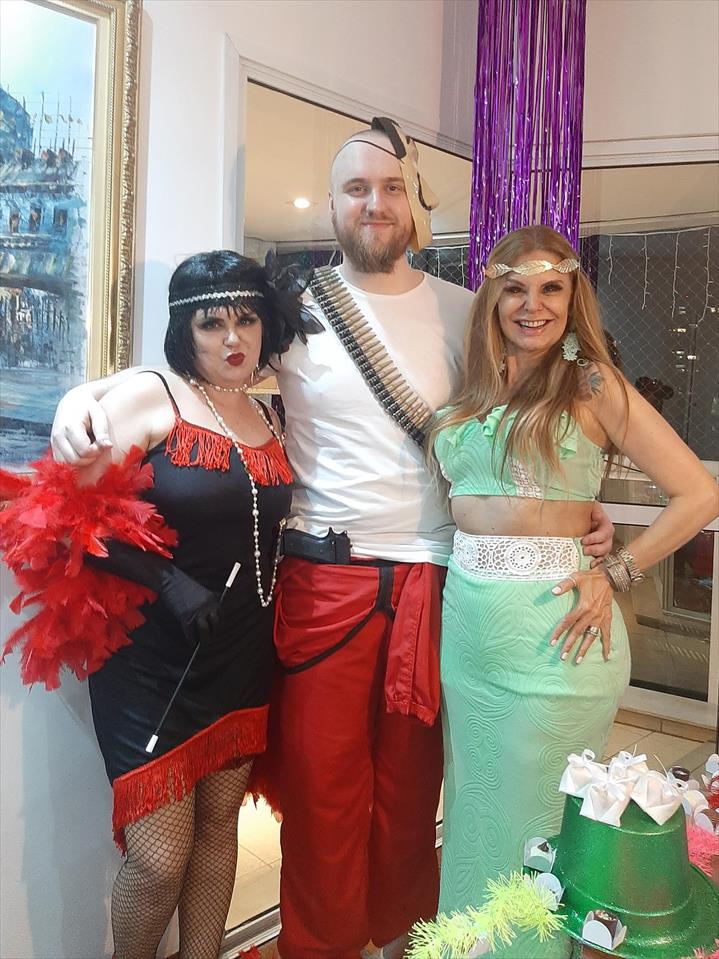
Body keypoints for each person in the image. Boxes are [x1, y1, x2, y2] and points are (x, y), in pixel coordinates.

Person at [49, 122, 614, 959]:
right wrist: (84, 396)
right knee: (321, 798)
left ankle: (403, 941)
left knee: (412, 794)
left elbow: (527, 419)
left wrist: (580, 519)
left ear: (412, 204)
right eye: (354, 189)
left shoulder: (468, 311)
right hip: (322, 578)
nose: (373, 204)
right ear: (333, 206)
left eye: (388, 188)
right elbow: (199, 374)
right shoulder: (291, 311)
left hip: (435, 581)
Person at [2, 251, 311, 959]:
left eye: (246, 320)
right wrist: (166, 580)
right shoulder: (152, 396)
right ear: (182, 329)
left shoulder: (266, 410)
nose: (232, 339)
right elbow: (61, 515)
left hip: (242, 649)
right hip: (152, 661)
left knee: (220, 827)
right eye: (211, 324)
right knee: (157, 860)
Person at [431, 225, 719, 957]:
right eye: (516, 289)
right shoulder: (471, 387)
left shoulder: (592, 383)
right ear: (492, 297)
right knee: (472, 812)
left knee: (534, 825)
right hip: (469, 634)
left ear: (572, 297)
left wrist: (616, 568)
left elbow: (698, 493)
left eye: (550, 288)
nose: (533, 305)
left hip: (556, 642)